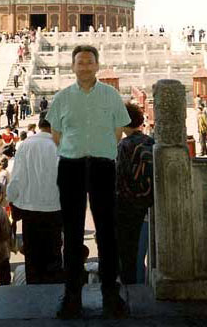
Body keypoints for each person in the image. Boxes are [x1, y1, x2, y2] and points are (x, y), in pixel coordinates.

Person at [47, 45, 130, 319]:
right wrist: (77, 150)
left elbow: (118, 130)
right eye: (79, 62)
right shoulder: (62, 98)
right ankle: (72, 296)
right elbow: (56, 135)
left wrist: (99, 148)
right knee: (71, 233)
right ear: (72, 67)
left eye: (89, 62)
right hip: (70, 165)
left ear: (97, 65)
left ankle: (111, 294)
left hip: (102, 165)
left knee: (107, 230)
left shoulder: (111, 95)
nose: (84, 66)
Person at [7, 112, 63, 285]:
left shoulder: (25, 145)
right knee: (53, 256)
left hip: (30, 211)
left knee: (33, 258)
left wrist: (11, 198)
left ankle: (34, 299)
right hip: (55, 209)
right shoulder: (61, 145)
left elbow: (16, 179)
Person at [116, 102, 154, 284]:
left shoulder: (124, 146)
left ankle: (131, 294)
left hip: (127, 208)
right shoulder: (150, 142)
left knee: (129, 256)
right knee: (144, 254)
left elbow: (119, 178)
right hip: (149, 204)